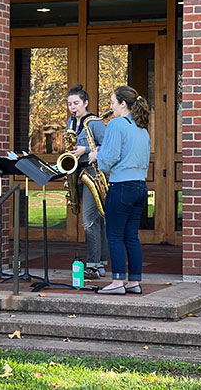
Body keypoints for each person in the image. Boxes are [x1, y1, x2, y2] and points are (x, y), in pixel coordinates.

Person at [89, 86, 150, 295]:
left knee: (114, 236)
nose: (111, 107)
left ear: (123, 104)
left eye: (113, 102)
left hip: (121, 186)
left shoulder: (116, 124)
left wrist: (97, 155)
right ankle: (134, 282)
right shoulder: (142, 127)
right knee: (131, 236)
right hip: (140, 186)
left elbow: (108, 161)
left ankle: (116, 282)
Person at [66, 84, 107, 280]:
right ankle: (99, 264)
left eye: (76, 103)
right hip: (78, 171)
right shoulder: (70, 122)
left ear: (86, 103)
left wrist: (86, 151)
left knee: (88, 220)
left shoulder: (95, 122)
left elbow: (108, 145)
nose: (72, 107)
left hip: (93, 171)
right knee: (96, 219)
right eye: (69, 104)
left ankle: (92, 264)